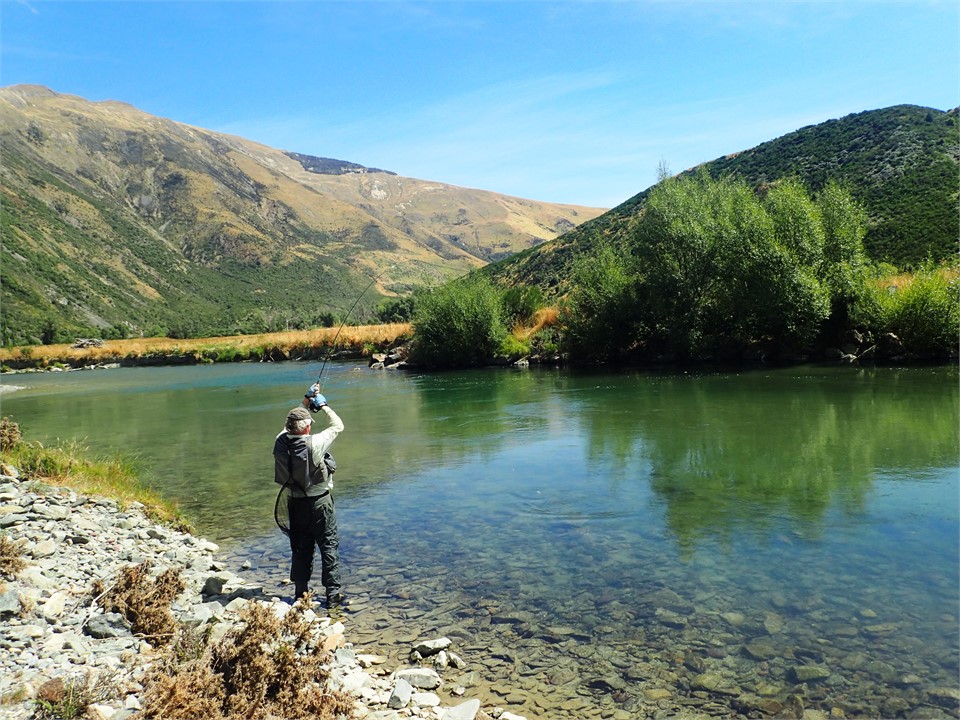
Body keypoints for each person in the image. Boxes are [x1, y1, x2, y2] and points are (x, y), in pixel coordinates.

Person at [273, 386, 345, 609]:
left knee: (301, 547)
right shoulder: (315, 443)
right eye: (309, 424)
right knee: (328, 546)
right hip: (319, 504)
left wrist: (306, 400)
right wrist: (322, 405)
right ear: (306, 429)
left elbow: (293, 421)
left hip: (294, 504)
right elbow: (338, 426)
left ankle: (300, 594)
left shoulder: (280, 440)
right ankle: (332, 596)